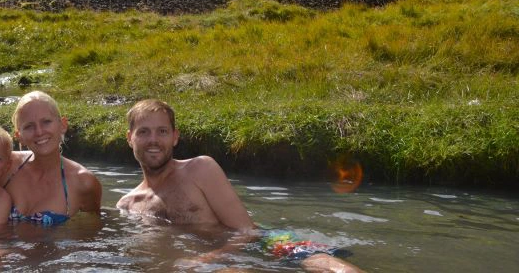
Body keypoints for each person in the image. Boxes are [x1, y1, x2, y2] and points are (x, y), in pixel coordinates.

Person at [117, 99, 364, 273]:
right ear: (130, 138)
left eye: (162, 131)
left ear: (175, 136)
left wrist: (210, 258)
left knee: (334, 269)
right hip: (220, 257)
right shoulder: (128, 206)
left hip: (263, 239)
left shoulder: (199, 169)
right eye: (144, 132)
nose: (153, 140)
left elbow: (246, 232)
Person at [0, 91, 102, 225]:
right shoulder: (5, 166)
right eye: (29, 126)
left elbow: (90, 235)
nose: (39, 132)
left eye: (46, 122)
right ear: (19, 136)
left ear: (62, 125)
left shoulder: (84, 183)